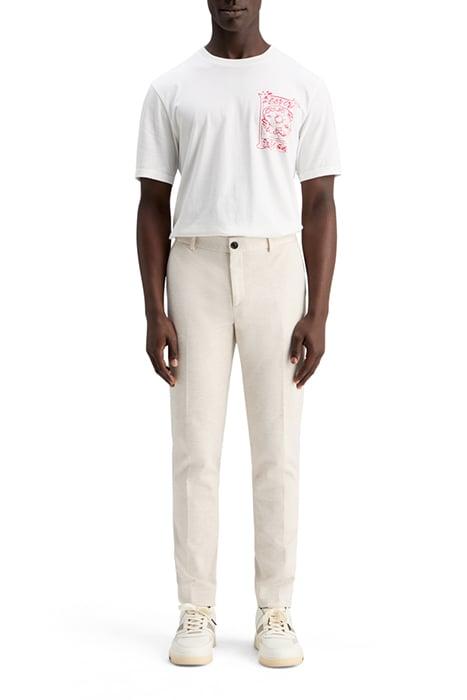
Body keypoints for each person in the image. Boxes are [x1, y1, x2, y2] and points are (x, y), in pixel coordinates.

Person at [135, 0, 340, 668]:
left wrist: (318, 310)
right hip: (194, 267)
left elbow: (319, 202)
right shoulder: (171, 88)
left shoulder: (302, 85)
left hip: (276, 267)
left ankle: (275, 609)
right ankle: (194, 608)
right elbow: (152, 203)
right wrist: (154, 309)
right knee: (194, 448)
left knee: (276, 449)